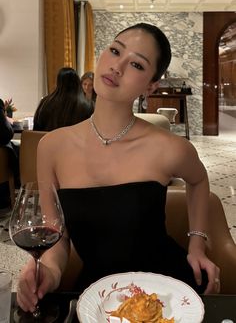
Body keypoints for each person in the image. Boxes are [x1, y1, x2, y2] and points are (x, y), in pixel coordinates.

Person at [17, 23, 220, 313]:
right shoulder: (52, 147)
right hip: (101, 296)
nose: (117, 66)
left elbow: (199, 181)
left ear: (151, 85)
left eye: (136, 64)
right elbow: (57, 240)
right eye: (115, 51)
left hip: (168, 290)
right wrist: (48, 272)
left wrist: (197, 244)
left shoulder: (169, 147)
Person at [33, 67, 93, 131]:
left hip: (49, 140)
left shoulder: (45, 102)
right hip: (75, 140)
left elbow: (37, 129)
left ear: (58, 83)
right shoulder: (86, 105)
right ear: (77, 83)